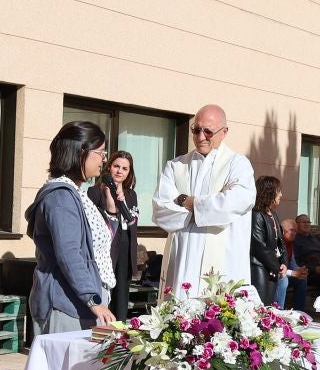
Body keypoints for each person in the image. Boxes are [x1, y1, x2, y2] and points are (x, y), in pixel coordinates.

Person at [23, 121, 119, 335]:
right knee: (64, 368)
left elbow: (97, 245)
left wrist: (111, 213)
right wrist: (93, 300)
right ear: (80, 152)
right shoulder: (61, 198)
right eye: (100, 153)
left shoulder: (76, 193)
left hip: (83, 301)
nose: (104, 160)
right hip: (67, 303)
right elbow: (69, 255)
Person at [153, 103, 254, 291]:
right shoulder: (175, 166)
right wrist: (204, 211)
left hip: (222, 265)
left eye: (208, 131)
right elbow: (161, 209)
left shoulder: (238, 164)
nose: (200, 137)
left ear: (224, 132)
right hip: (182, 260)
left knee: (215, 316)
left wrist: (187, 201)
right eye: (196, 130)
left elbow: (233, 203)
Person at [89, 149, 139, 319]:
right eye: (116, 166)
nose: (119, 171)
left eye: (125, 168)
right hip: (107, 249)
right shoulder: (94, 192)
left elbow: (133, 224)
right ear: (109, 167)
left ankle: (119, 335)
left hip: (126, 247)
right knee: (106, 293)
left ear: (129, 172)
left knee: (122, 297)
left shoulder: (132, 195)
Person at [250, 175, 286, 305]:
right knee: (261, 305)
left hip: (271, 267)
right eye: (278, 191)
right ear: (269, 192)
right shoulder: (257, 215)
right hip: (259, 267)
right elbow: (259, 246)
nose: (281, 195)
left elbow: (280, 242)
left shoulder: (273, 214)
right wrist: (276, 265)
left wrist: (284, 262)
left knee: (269, 305)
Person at [276, 216, 301, 310]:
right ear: (283, 230)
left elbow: (293, 263)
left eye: (295, 231)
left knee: (302, 279)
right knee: (284, 280)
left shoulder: (290, 244)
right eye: (291, 230)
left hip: (285, 272)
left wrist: (300, 270)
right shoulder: (278, 242)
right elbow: (277, 267)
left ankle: (299, 311)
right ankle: (278, 311)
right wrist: (293, 273)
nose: (294, 233)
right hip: (274, 273)